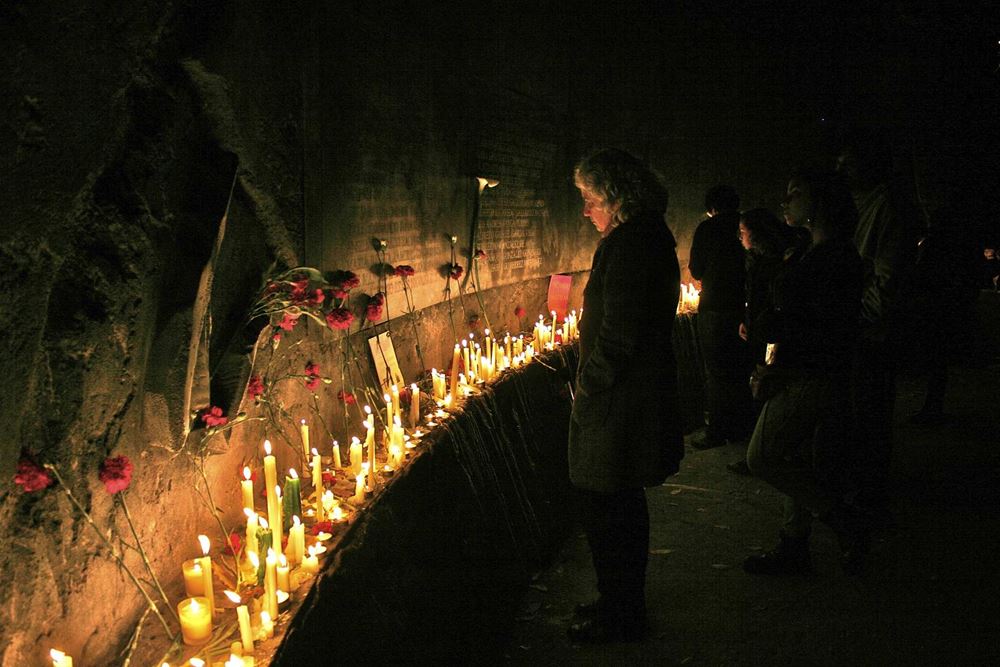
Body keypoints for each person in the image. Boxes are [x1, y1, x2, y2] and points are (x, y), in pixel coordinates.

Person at [568, 148, 684, 643]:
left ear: (617, 198)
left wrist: (588, 385)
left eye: (591, 198)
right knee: (618, 501)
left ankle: (622, 614)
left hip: (619, 399)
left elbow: (620, 332)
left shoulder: (633, 244)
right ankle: (617, 600)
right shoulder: (644, 237)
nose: (585, 210)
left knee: (607, 502)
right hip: (628, 393)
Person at [742, 167, 868, 576]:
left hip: (811, 374)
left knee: (762, 456)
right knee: (791, 454)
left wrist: (779, 368)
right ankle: (794, 543)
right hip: (801, 369)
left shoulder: (835, 258)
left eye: (796, 193)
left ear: (821, 202)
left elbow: (819, 328)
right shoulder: (810, 250)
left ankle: (842, 519)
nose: (786, 201)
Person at [835, 129, 918, 517]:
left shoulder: (887, 208)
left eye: (848, 163)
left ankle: (869, 494)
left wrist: (858, 318)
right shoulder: (861, 205)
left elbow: (887, 277)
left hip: (872, 331)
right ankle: (860, 485)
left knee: (869, 413)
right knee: (858, 413)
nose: (841, 170)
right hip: (861, 326)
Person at [727, 208, 799, 476]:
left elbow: (773, 304)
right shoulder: (755, 260)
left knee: (767, 384)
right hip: (759, 331)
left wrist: (762, 327)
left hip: (771, 337)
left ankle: (765, 452)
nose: (740, 237)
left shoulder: (777, 263)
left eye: (743, 232)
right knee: (759, 383)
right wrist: (746, 320)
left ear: (757, 234)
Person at [689, 184, 754, 448]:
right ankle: (742, 427)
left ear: (712, 208)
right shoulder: (745, 225)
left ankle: (717, 430)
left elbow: (696, 269)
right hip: (743, 306)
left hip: (715, 306)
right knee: (740, 368)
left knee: (716, 370)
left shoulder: (708, 228)